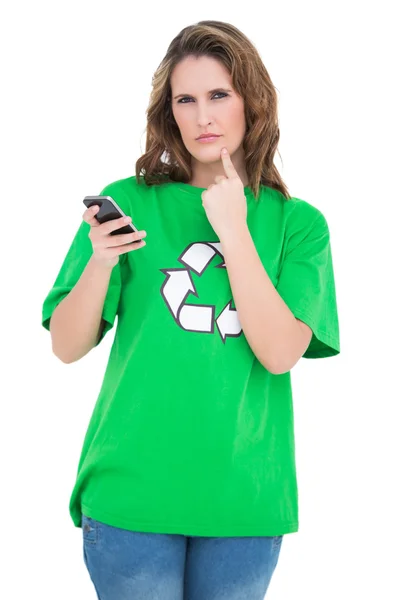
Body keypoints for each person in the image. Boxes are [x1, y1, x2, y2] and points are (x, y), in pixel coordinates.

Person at [41, 19, 340, 600]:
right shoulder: (128, 202)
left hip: (244, 499)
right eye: (186, 99)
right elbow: (66, 346)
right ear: (169, 111)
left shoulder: (299, 225)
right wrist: (101, 262)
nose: (203, 116)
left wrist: (233, 227)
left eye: (219, 95)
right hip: (132, 494)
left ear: (251, 101)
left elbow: (280, 354)